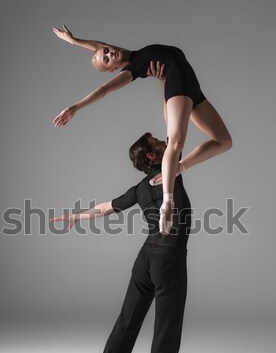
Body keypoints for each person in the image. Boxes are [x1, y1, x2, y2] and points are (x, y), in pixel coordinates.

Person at [50, 133, 194, 353]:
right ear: (153, 157)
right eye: (157, 142)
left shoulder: (141, 188)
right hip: (168, 260)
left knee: (126, 324)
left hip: (146, 259)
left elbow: (106, 207)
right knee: (165, 336)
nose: (164, 142)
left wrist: (77, 217)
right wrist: (169, 90)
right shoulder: (172, 170)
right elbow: (176, 134)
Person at [52, 25, 232, 234]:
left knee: (224, 141)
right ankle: (167, 203)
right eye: (107, 59)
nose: (110, 53)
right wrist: (75, 107)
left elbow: (99, 47)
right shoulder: (134, 67)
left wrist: (75, 41)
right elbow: (104, 90)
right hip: (178, 87)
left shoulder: (138, 54)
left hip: (192, 88)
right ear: (112, 69)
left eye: (107, 50)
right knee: (175, 141)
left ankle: (177, 168)